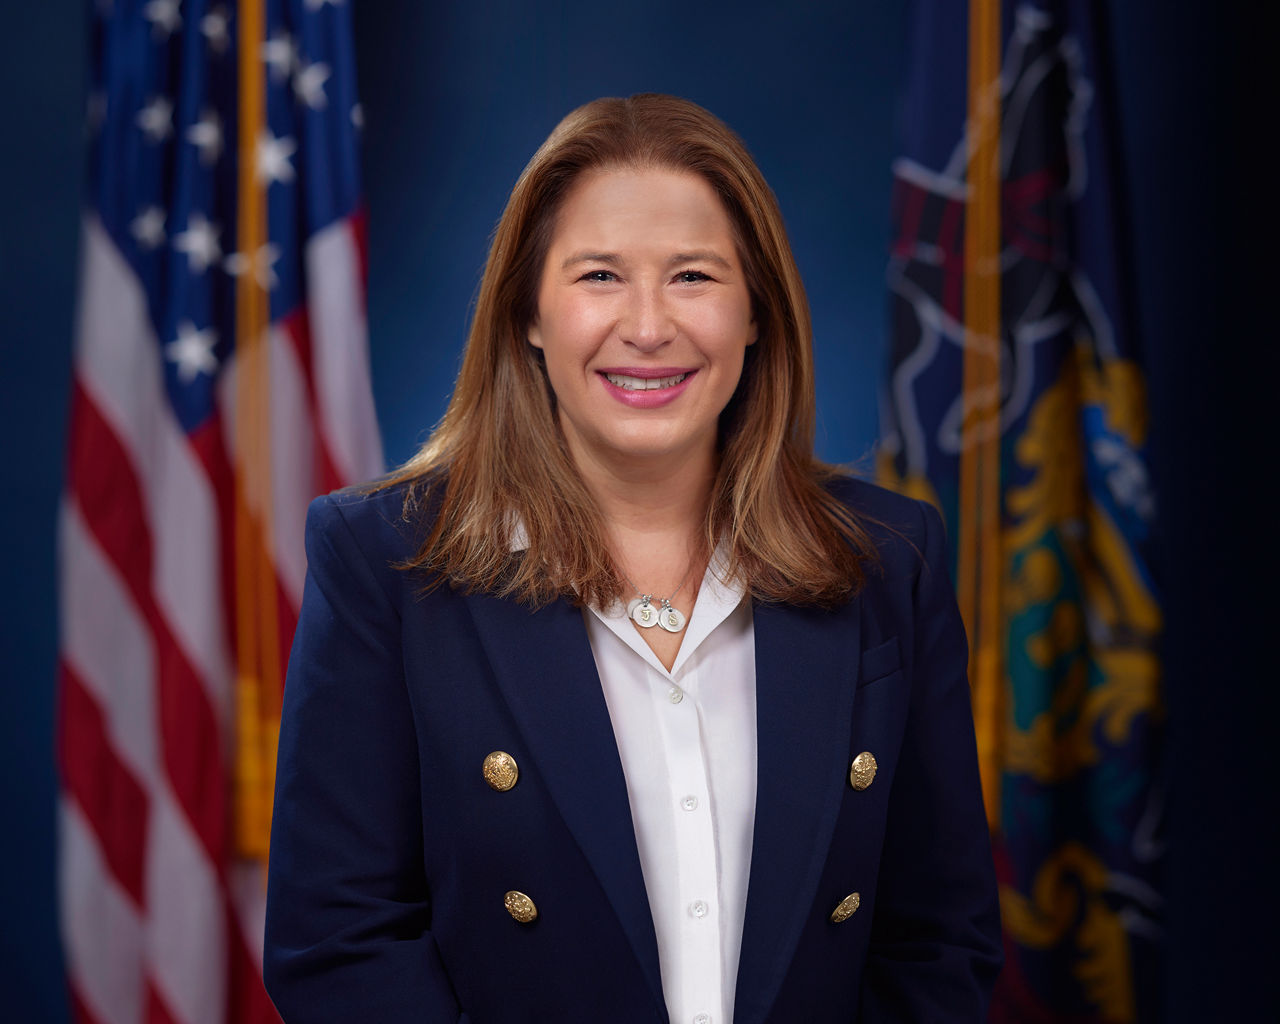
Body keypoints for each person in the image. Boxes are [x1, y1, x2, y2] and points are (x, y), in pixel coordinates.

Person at [263, 93, 1001, 1023]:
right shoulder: (385, 563)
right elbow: (337, 942)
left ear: (757, 314)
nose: (648, 327)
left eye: (693, 276)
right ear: (528, 312)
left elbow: (940, 938)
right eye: (600, 276)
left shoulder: (891, 562)